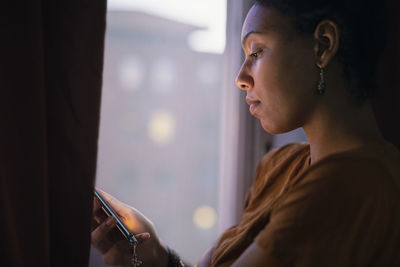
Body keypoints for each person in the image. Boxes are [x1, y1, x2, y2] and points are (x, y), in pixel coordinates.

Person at [91, 0, 400, 266]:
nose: (240, 78)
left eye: (256, 51)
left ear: (322, 46)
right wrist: (158, 257)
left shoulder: (352, 185)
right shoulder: (280, 166)